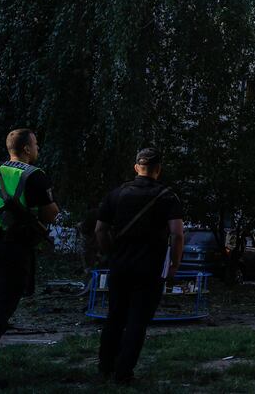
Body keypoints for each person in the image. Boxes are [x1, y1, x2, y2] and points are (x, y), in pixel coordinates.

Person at [0, 128, 59, 391]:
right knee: (0, 310)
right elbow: (50, 214)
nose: (38, 148)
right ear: (26, 149)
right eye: (36, 144)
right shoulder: (33, 175)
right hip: (12, 248)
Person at [95, 148, 184, 383]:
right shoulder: (167, 196)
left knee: (115, 317)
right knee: (137, 321)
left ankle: (105, 367)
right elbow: (177, 234)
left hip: (120, 266)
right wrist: (174, 263)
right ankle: (124, 373)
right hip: (150, 268)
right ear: (158, 170)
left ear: (136, 168)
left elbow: (100, 229)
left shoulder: (116, 194)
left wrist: (110, 254)